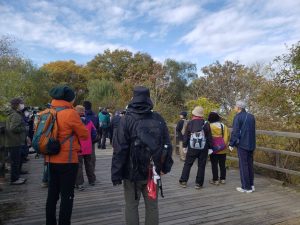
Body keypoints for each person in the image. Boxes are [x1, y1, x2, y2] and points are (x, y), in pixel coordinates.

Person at [111, 86, 173, 225]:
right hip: (153, 171)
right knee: (152, 206)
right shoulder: (158, 118)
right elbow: (167, 145)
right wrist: (165, 167)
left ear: (133, 99)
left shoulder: (126, 119)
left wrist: (116, 174)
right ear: (148, 99)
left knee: (131, 206)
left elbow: (120, 149)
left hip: (131, 173)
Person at [45, 85, 88, 225]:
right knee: (67, 195)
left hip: (51, 158)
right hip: (68, 160)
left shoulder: (48, 111)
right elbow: (84, 135)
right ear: (69, 98)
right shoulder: (70, 113)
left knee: (52, 194)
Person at [179, 106, 213, 189]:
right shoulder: (206, 123)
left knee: (188, 164)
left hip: (192, 146)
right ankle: (198, 184)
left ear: (194, 114)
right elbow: (209, 137)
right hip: (203, 147)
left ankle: (183, 181)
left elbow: (186, 136)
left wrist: (184, 146)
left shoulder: (190, 123)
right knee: (201, 165)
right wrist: (210, 147)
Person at [229, 100, 256, 193]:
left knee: (243, 165)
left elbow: (235, 132)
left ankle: (246, 187)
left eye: (235, 106)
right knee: (250, 165)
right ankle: (251, 185)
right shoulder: (251, 117)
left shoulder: (237, 117)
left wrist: (231, 144)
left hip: (242, 145)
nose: (234, 108)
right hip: (251, 144)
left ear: (239, 107)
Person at [5, 97, 27, 185]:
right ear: (17, 105)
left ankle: (16, 177)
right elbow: (13, 128)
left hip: (12, 141)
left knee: (15, 161)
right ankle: (14, 179)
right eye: (21, 103)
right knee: (15, 162)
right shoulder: (16, 115)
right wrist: (23, 128)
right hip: (14, 142)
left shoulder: (13, 114)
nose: (23, 104)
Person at [75, 105, 97, 190]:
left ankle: (79, 183)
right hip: (88, 146)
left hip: (78, 147)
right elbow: (94, 133)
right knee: (89, 164)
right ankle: (92, 180)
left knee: (79, 166)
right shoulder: (89, 121)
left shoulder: (75, 122)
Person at [207, 111, 230, 185]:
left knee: (214, 164)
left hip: (214, 148)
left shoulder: (209, 126)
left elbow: (208, 137)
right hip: (223, 148)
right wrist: (223, 145)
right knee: (222, 164)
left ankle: (215, 180)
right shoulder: (224, 126)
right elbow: (227, 136)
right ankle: (223, 179)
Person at [83, 101, 98, 180]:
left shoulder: (81, 115)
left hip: (81, 140)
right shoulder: (95, 115)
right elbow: (97, 126)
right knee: (91, 157)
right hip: (92, 139)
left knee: (79, 160)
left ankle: (79, 179)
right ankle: (92, 175)